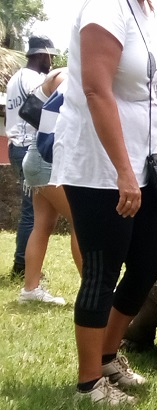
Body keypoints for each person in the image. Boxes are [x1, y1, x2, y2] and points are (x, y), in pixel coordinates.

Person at [51, 0, 157, 405]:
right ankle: (89, 383)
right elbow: (95, 89)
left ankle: (106, 357)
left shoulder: (146, 13)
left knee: (150, 258)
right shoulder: (105, 7)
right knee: (103, 268)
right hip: (100, 165)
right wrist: (123, 170)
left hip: (143, 162)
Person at [19, 68, 82, 305]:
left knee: (43, 226)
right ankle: (93, 287)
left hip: (37, 159)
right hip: (47, 162)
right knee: (81, 221)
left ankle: (30, 290)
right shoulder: (65, 79)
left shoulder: (58, 75)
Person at [4, 35, 59, 278]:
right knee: (32, 213)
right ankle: (22, 266)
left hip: (14, 146)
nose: (51, 62)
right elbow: (38, 114)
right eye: (50, 57)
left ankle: (24, 264)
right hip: (29, 147)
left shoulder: (15, 79)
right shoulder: (36, 80)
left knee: (32, 210)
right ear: (42, 55)